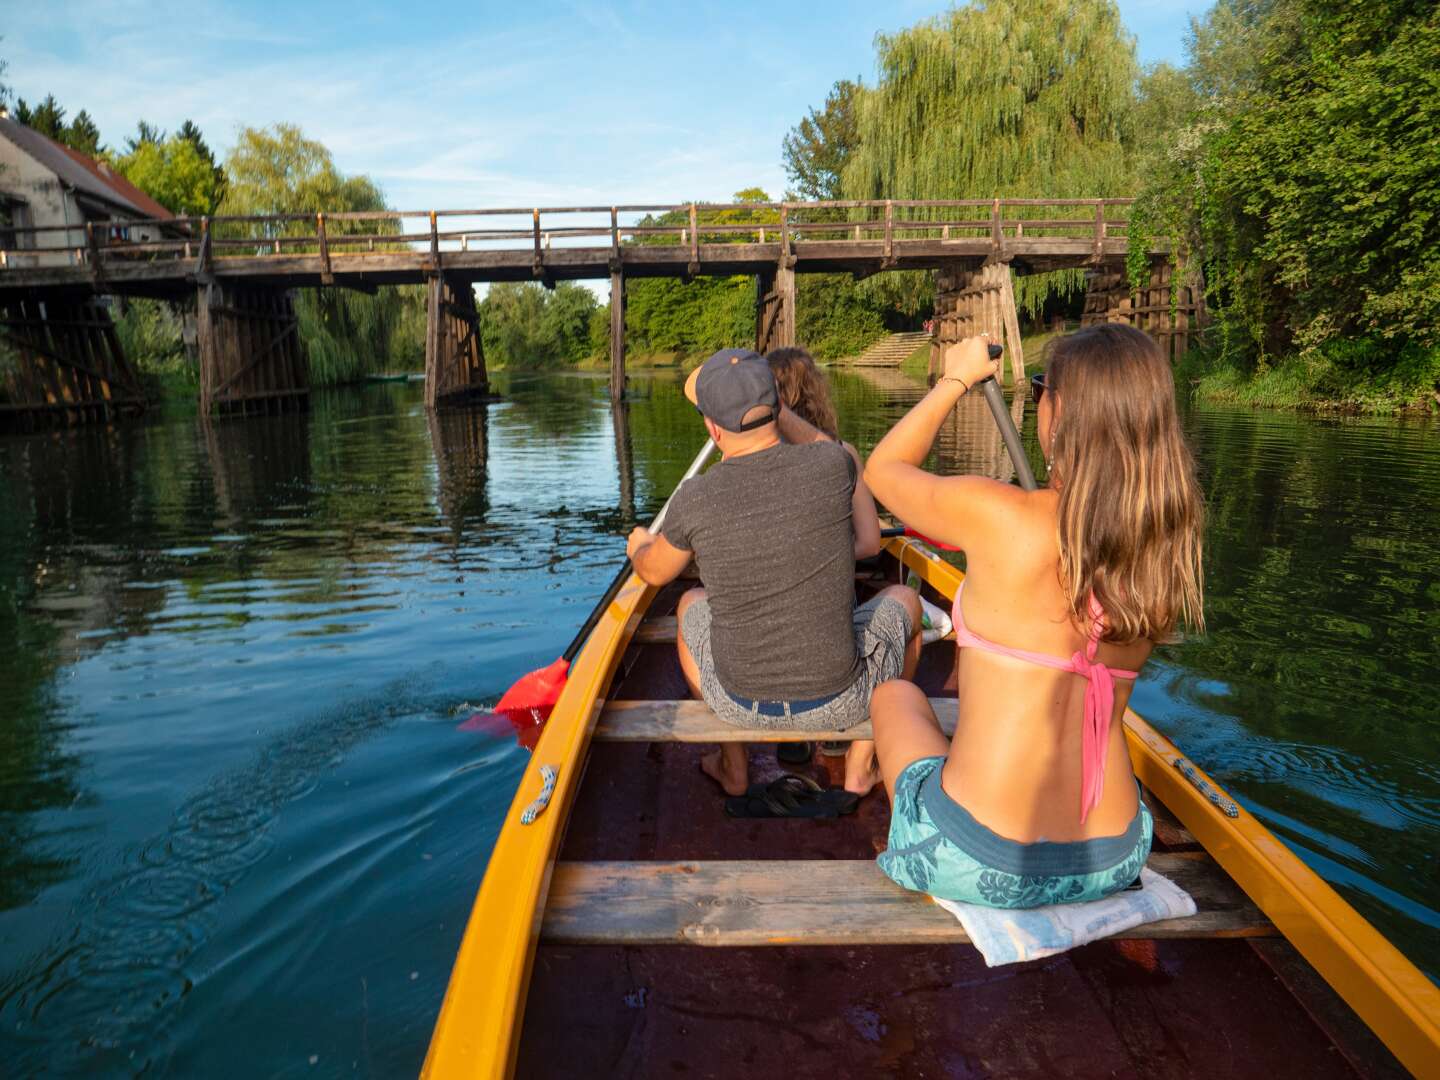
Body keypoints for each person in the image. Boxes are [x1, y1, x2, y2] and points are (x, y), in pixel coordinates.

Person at [863, 325, 1205, 907]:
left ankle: (860, 799)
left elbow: (883, 469)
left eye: (1043, 387)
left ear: (1062, 410)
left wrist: (956, 378)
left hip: (982, 858)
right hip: (1117, 855)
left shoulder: (1000, 516)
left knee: (894, 697)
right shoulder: (1166, 550)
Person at [625, 348, 922, 799]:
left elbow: (654, 573)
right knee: (905, 599)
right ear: (777, 408)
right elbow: (832, 449)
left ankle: (734, 765)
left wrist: (639, 545)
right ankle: (861, 764)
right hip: (842, 699)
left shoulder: (695, 496)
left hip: (737, 703)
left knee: (689, 603)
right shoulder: (833, 466)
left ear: (711, 428)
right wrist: (780, 414)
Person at [766, 346, 882, 760]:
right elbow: (870, 544)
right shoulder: (844, 454)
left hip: (769, 617)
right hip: (831, 612)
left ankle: (788, 730)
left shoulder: (750, 461)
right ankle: (844, 736)